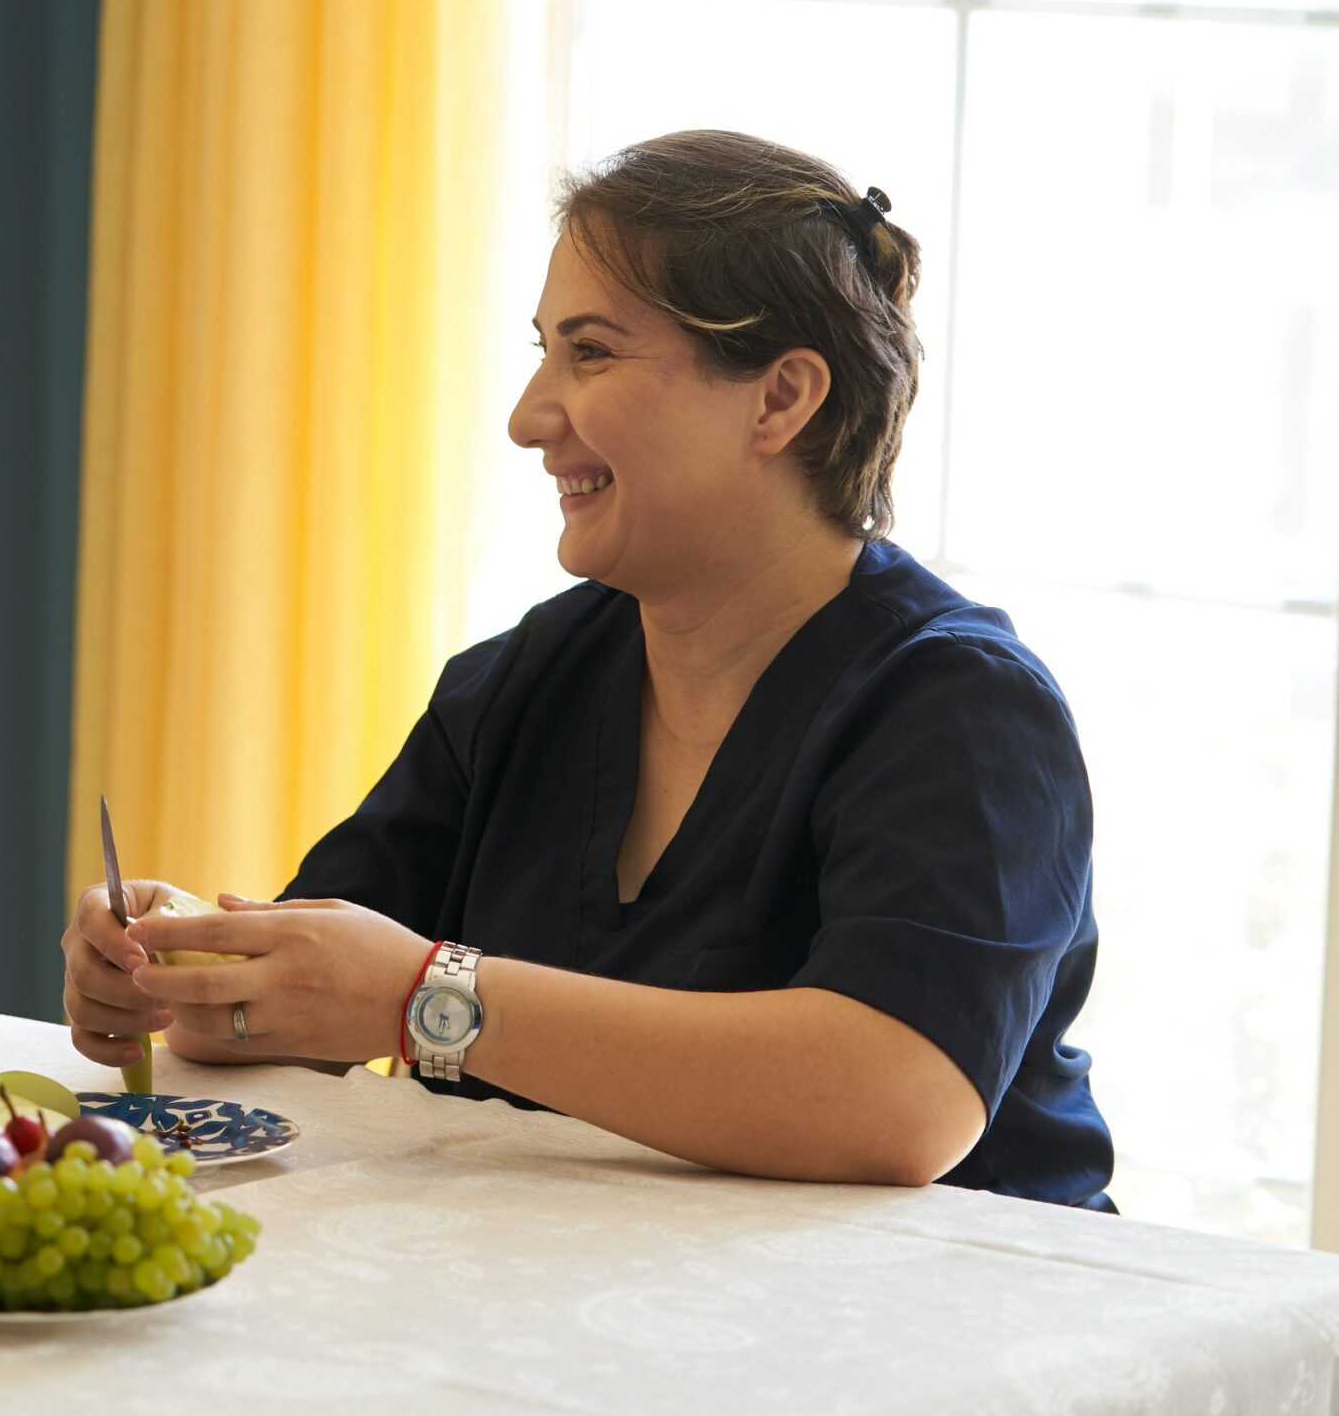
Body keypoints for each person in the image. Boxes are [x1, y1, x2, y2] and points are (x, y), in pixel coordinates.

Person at [62, 130, 1112, 1208]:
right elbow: (317, 1000)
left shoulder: (964, 711)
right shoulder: (525, 681)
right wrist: (178, 961)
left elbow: (896, 1099)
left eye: (592, 352)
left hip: (945, 1335)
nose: (527, 418)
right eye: (542, 351)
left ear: (780, 399)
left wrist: (429, 1000)